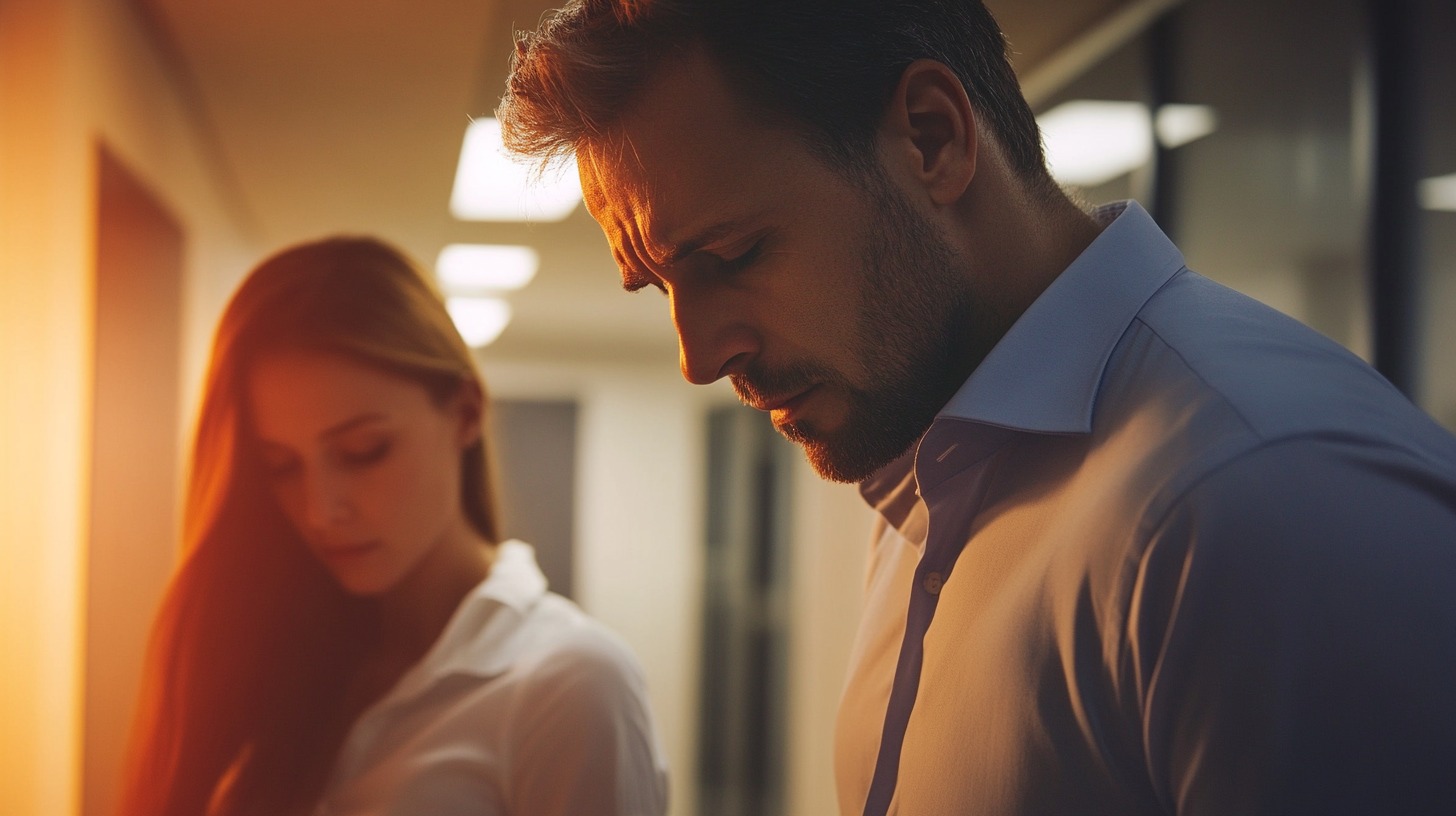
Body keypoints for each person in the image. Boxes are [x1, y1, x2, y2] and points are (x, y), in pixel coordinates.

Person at [498, 1, 1456, 814]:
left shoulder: (1264, 504)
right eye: (658, 285)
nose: (697, 357)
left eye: (736, 256)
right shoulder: (929, 459)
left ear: (932, 137)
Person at [118, 237, 668, 816]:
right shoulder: (281, 656)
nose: (319, 511)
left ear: (465, 412)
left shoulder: (571, 684)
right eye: (281, 467)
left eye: (363, 451)